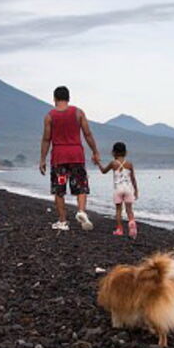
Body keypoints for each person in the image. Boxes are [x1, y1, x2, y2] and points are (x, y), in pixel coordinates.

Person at [39, 86, 101, 230]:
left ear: (54, 99)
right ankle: (81, 211)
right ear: (69, 98)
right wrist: (95, 151)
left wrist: (42, 159)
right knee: (81, 187)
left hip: (59, 157)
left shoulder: (49, 116)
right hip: (76, 155)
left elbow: (46, 139)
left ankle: (63, 221)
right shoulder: (78, 113)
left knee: (59, 190)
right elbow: (87, 134)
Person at [98, 141, 139, 238]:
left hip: (118, 189)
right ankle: (132, 223)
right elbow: (133, 178)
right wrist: (136, 190)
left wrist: (98, 163)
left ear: (113, 152)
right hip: (128, 189)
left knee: (118, 210)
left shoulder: (113, 163)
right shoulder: (129, 164)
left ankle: (119, 229)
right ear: (126, 152)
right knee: (129, 210)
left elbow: (103, 171)